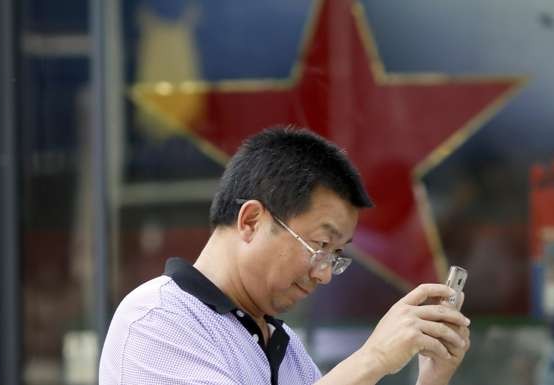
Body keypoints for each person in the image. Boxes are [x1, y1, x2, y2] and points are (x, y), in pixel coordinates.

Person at [99, 127, 471, 385]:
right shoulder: (159, 319)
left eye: (336, 255)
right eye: (320, 246)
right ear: (251, 221)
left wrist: (431, 376)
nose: (324, 274)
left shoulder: (283, 344)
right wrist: (372, 358)